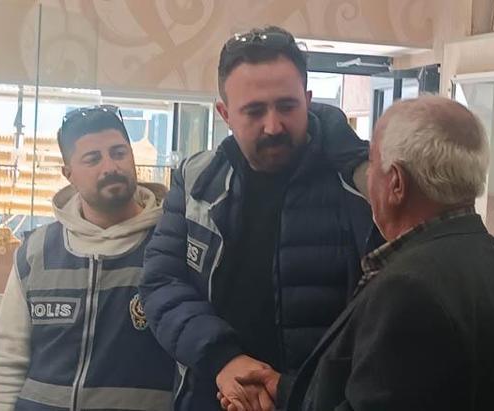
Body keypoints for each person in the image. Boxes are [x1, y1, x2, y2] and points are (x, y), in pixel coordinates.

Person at [240, 96, 494, 411]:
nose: (367, 177)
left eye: (371, 163)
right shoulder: (488, 254)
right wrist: (283, 390)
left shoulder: (410, 290)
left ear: (396, 183)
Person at [139, 26, 377, 411]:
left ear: (308, 101)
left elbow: (381, 315)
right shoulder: (197, 181)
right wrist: (224, 359)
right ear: (225, 114)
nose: (273, 126)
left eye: (287, 106)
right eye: (254, 111)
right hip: (213, 394)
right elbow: (161, 283)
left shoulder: (358, 186)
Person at [0, 105, 174, 411]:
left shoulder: (171, 245)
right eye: (93, 159)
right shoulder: (36, 253)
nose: (110, 166)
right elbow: (7, 366)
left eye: (119, 153)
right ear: (68, 174)